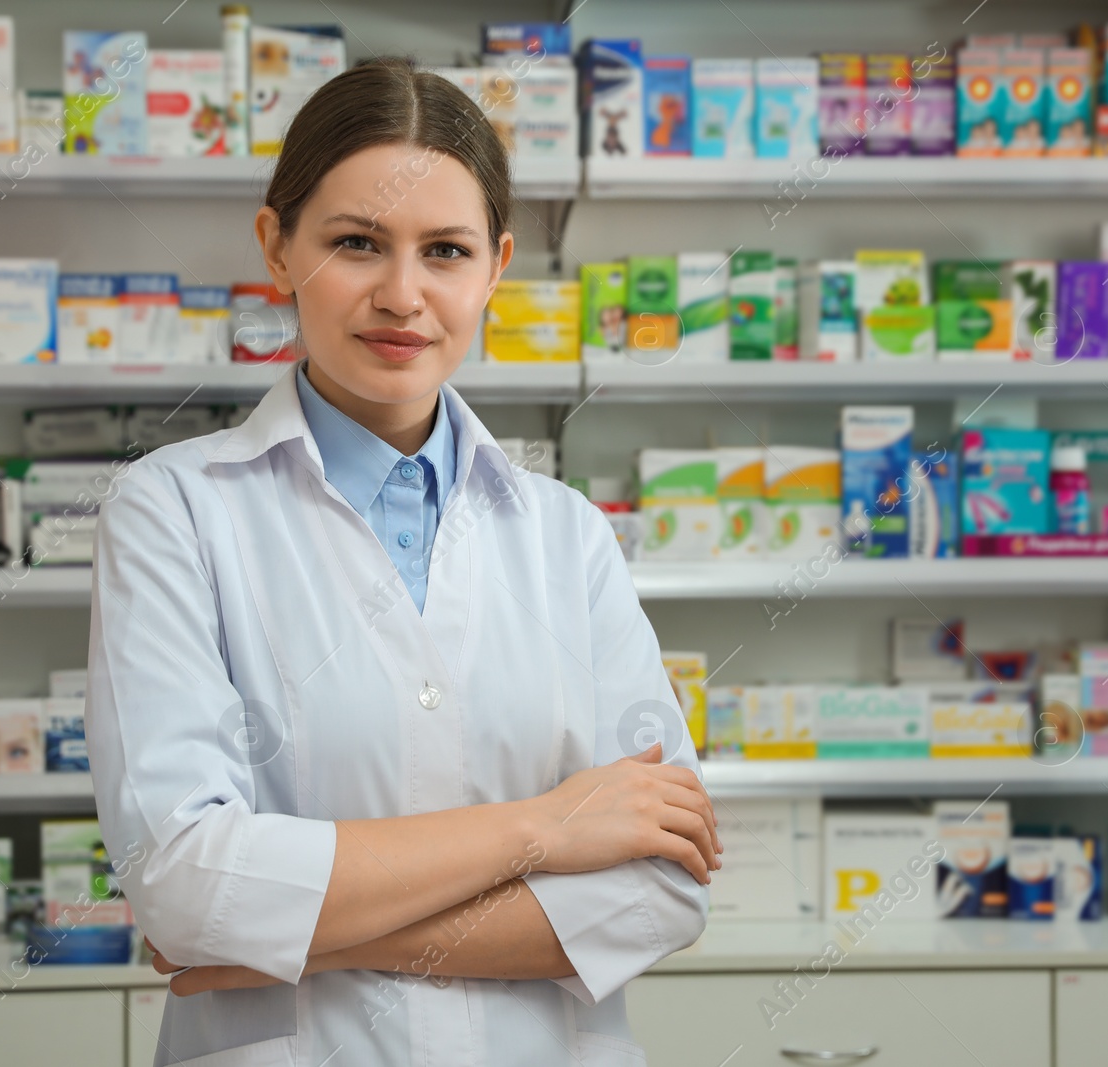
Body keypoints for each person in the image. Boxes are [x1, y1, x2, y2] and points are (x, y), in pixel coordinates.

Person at [86, 57, 719, 1067]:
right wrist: (549, 825)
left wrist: (291, 938)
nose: (402, 294)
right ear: (276, 245)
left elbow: (663, 883)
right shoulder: (173, 509)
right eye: (356, 243)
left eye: (446, 250)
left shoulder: (566, 534)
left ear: (496, 267)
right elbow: (188, 883)